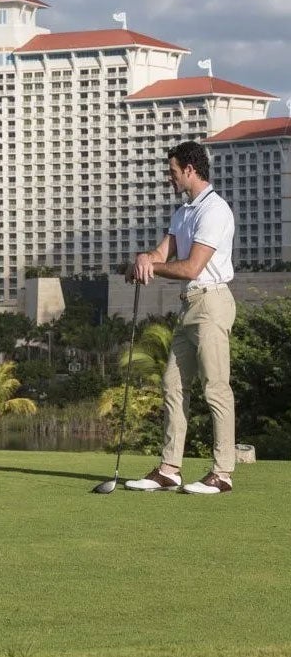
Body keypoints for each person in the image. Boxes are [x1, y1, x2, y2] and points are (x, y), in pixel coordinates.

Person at [125, 141, 236, 495]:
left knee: (215, 388)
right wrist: (145, 258)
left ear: (189, 169)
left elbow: (191, 266)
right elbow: (162, 252)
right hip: (189, 305)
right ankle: (170, 469)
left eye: (172, 171)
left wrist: (152, 266)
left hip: (212, 302)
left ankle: (222, 473)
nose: (169, 178)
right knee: (173, 385)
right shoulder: (184, 211)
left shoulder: (214, 210)